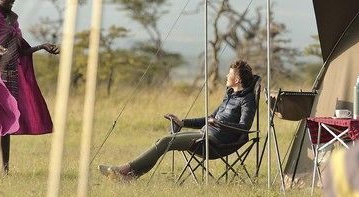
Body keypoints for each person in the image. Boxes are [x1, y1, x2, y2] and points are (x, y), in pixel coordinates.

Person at [99, 60, 258, 182]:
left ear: (237, 79)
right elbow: (208, 119)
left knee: (166, 141)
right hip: (204, 135)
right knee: (164, 140)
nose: (226, 76)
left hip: (215, 143)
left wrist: (219, 124)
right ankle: (129, 176)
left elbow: (244, 127)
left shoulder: (247, 100)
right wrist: (183, 122)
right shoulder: (230, 95)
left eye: (229, 74)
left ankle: (122, 170)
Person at [0, 0, 59, 174]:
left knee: (7, 123)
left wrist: (41, 47)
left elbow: (21, 51)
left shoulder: (12, 21)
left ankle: (5, 170)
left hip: (10, 76)